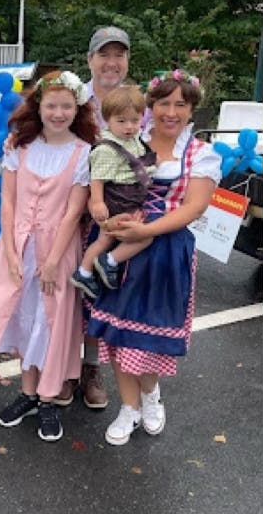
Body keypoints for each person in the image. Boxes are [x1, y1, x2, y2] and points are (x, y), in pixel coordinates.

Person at [0, 70, 98, 443]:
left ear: (77, 108)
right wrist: (9, 250)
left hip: (58, 251)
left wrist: (53, 261)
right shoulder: (18, 146)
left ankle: (49, 399)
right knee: (20, 316)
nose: (58, 113)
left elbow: (73, 211)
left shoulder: (83, 152)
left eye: (66, 106)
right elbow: (7, 200)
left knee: (51, 323)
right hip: (18, 247)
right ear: (38, 106)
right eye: (51, 105)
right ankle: (28, 393)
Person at [85, 69, 222, 446]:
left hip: (166, 252)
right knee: (119, 333)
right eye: (164, 102)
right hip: (122, 245)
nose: (171, 111)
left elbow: (193, 208)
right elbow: (103, 185)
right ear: (151, 106)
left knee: (149, 337)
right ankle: (128, 408)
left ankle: (150, 395)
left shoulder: (200, 154)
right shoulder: (129, 140)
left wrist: (145, 231)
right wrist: (110, 219)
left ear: (192, 108)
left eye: (181, 103)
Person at [56, 25, 140, 410]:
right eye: (104, 54)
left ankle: (90, 368)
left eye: (118, 55)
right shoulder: (73, 100)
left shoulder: (137, 104)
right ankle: (62, 369)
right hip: (69, 208)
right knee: (64, 290)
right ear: (90, 59)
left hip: (117, 214)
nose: (111, 62)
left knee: (98, 293)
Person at [70, 84, 157, 301]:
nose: (129, 127)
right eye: (121, 121)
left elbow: (138, 163)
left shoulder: (133, 140)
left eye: (135, 121)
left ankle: (84, 272)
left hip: (131, 195)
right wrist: (98, 203)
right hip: (119, 199)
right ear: (107, 119)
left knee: (104, 239)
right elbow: (97, 179)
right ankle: (108, 261)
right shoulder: (107, 148)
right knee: (144, 236)